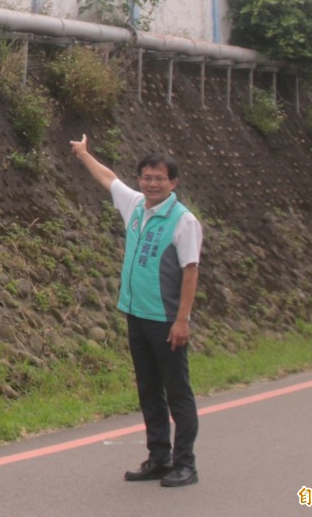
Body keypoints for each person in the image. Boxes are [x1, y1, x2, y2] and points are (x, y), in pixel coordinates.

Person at [70, 135, 202, 488]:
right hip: (136, 315)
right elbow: (108, 178)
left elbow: (191, 271)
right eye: (146, 177)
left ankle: (185, 463)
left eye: (159, 178)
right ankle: (159, 457)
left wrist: (182, 320)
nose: (151, 183)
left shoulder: (183, 220)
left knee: (177, 393)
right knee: (148, 390)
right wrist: (84, 153)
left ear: (173, 183)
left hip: (166, 320)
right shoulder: (136, 205)